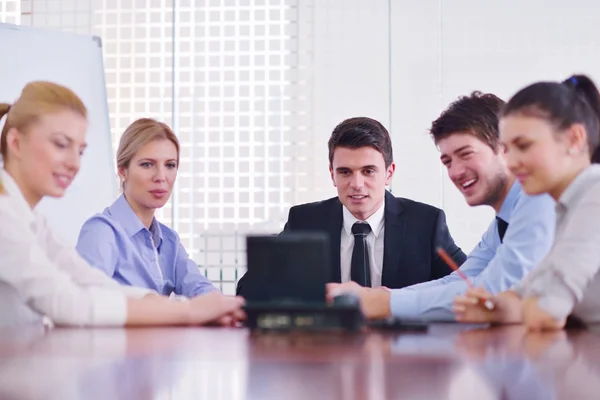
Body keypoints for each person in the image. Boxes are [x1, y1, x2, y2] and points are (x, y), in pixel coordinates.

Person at [0, 81, 242, 328]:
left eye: (80, 151)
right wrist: (188, 311)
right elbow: (68, 303)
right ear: (16, 143)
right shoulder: (5, 218)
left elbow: (94, 283)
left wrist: (202, 307)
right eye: (61, 145)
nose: (74, 163)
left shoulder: (33, 221)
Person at [325, 92, 555, 321]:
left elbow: (493, 289)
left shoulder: (540, 201)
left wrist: (385, 303)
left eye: (465, 154)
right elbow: (461, 279)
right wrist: (383, 297)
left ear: (504, 148)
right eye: (448, 161)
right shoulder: (504, 221)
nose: (455, 172)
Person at [237, 116, 466, 297]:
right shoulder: (304, 220)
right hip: (328, 347)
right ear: (332, 175)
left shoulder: (426, 223)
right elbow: (249, 289)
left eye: (368, 171)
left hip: (401, 348)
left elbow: (468, 286)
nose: (356, 184)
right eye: (345, 172)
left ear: (389, 173)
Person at [454, 74, 600, 330]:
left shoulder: (595, 195)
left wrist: (523, 306)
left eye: (524, 146)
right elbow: (523, 295)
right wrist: (499, 307)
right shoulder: (564, 208)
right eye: (507, 149)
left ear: (575, 139)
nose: (510, 163)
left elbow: (546, 312)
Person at [76, 118, 217, 297]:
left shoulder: (169, 240)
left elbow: (199, 288)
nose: (161, 176)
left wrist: (221, 306)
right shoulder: (101, 232)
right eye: (147, 164)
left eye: (170, 165)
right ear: (122, 170)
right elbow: (88, 300)